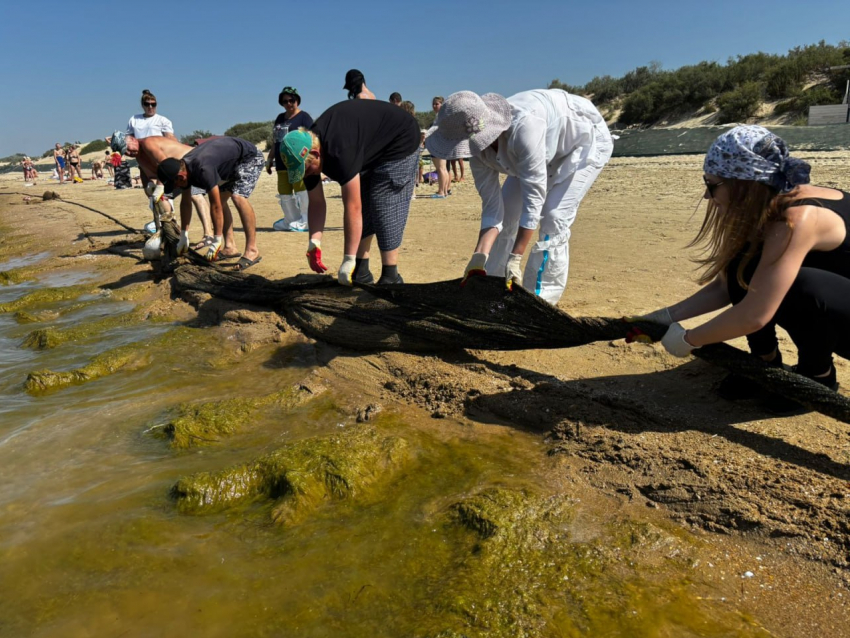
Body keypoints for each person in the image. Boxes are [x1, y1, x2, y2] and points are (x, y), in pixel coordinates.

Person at [633, 125, 849, 411]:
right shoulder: (774, 202)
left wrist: (688, 339)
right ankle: (763, 362)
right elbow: (727, 285)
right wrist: (664, 317)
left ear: (743, 184)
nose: (707, 196)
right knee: (743, 264)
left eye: (711, 184)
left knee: (801, 287)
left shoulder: (799, 218)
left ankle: (818, 376)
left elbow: (755, 315)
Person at [426, 89, 613, 305]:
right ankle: (493, 290)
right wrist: (478, 257)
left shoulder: (525, 128)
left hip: (583, 142)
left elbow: (534, 201)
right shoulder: (476, 153)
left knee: (553, 216)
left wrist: (516, 257)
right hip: (537, 152)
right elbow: (493, 208)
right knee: (506, 216)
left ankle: (541, 301)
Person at [280, 99, 420, 286]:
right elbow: (317, 203)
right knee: (366, 200)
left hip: (400, 138)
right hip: (369, 145)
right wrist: (315, 241)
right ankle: (361, 269)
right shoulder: (306, 157)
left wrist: (348, 258)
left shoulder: (340, 152)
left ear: (317, 154)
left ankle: (391, 275)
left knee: (383, 203)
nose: (307, 174)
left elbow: (352, 207)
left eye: (307, 169)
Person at [157, 136, 264, 271]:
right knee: (223, 199)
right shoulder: (184, 169)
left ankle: (252, 250)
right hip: (229, 164)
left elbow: (215, 205)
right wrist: (184, 235)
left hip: (249, 157)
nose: (176, 188)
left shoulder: (203, 169)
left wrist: (216, 239)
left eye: (175, 185)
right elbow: (185, 203)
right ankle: (230, 247)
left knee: (238, 197)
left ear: (181, 177)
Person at [124, 135, 214, 247]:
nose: (129, 152)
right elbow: (153, 175)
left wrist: (159, 188)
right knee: (164, 199)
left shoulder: (148, 143)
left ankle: (208, 235)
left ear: (133, 139)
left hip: (191, 162)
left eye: (128, 148)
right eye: (125, 152)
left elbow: (165, 165)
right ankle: (175, 232)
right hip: (175, 174)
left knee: (195, 194)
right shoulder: (139, 157)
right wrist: (151, 185)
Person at [266, 86, 313, 232]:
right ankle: (291, 220)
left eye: (291, 100)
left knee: (301, 190)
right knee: (284, 192)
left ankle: (306, 220)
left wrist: (309, 159)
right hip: (281, 163)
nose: (288, 104)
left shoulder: (304, 117)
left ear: (297, 100)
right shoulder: (280, 118)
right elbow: (276, 140)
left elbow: (313, 139)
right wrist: (270, 158)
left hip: (298, 163)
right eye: (285, 101)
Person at [428, 97, 450, 199]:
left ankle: (441, 191)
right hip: (442, 145)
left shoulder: (441, 117)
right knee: (443, 169)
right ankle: (444, 190)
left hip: (439, 145)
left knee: (441, 169)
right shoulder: (442, 116)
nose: (434, 106)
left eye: (437, 104)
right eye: (433, 104)